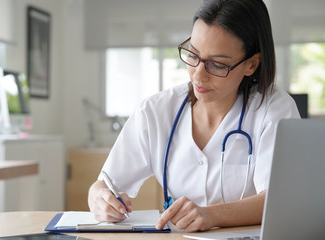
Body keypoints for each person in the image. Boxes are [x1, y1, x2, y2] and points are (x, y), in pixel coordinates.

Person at [88, 0, 300, 233]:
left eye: (217, 64)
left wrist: (211, 215)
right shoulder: (155, 111)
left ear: (251, 64)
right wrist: (101, 200)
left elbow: (280, 201)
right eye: (193, 54)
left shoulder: (274, 109)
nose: (198, 75)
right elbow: (105, 184)